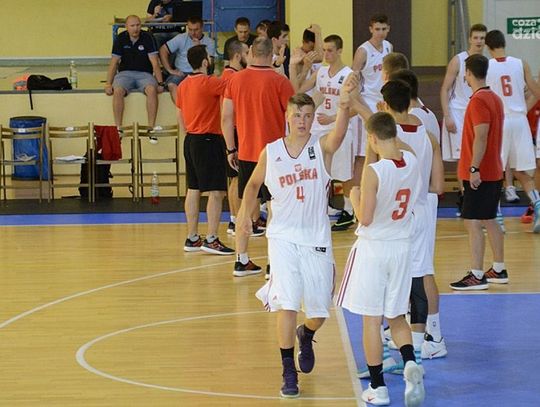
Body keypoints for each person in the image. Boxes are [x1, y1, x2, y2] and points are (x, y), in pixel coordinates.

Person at [238, 77, 355, 398]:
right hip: (282, 238)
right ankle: (288, 369)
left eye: (307, 116)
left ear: (313, 118)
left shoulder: (321, 147)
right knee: (287, 304)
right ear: (287, 117)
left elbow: (340, 132)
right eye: (297, 115)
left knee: (319, 311)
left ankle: (307, 333)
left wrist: (345, 104)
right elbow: (252, 184)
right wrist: (245, 213)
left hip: (316, 238)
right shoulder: (271, 151)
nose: (302, 121)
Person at [336, 111, 425, 407]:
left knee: (371, 321)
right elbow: (400, 149)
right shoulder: (411, 161)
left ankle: (379, 387)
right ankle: (409, 361)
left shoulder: (374, 172)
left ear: (371, 139)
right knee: (396, 316)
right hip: (402, 247)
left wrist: (355, 196)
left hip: (375, 250)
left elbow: (366, 217)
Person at [222, 37, 295, 277]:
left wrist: (230, 148)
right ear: (272, 54)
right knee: (274, 208)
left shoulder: (235, 80)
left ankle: (241, 259)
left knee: (246, 207)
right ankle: (273, 265)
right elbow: (294, 117)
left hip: (247, 153)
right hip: (275, 155)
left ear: (251, 53)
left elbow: (226, 117)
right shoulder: (280, 82)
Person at [389, 69, 446, 359]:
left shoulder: (391, 137)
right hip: (422, 207)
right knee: (419, 272)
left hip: (400, 211)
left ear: (386, 104)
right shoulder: (427, 133)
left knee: (408, 274)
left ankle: (427, 337)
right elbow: (439, 186)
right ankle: (418, 334)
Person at [450, 54, 506, 290]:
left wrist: (474, 168)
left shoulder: (478, 101)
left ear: (468, 73)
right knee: (489, 219)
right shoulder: (495, 98)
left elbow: (481, 136)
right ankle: (499, 269)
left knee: (473, 222)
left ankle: (476, 274)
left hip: (481, 172)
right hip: (494, 169)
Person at [293, 35, 358, 232]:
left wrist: (332, 118)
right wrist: (302, 68)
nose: (326, 54)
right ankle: (321, 208)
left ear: (340, 51)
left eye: (330, 50)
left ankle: (349, 211)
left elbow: (355, 107)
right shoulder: (320, 71)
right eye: (325, 50)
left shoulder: (349, 75)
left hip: (339, 127)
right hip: (318, 129)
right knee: (319, 171)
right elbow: (299, 90)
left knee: (344, 173)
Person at [176, 45, 233, 255]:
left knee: (194, 189)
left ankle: (192, 237)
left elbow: (180, 115)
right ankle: (211, 238)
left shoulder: (182, 85)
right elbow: (233, 85)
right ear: (204, 62)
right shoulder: (209, 82)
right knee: (217, 191)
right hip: (208, 139)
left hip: (190, 139)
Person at [485, 29, 540, 233]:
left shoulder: (486, 66)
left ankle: (497, 218)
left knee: (494, 172)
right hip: (519, 121)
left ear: (488, 47)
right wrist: (524, 108)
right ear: (504, 44)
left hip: (500, 121)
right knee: (521, 171)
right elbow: (537, 92)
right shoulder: (520, 63)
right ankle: (538, 207)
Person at [348, 14, 393, 231]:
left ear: (388, 29)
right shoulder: (363, 51)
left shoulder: (389, 47)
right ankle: (356, 200)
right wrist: (359, 106)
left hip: (383, 105)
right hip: (366, 106)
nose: (381, 33)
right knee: (361, 155)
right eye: (377, 29)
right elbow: (353, 80)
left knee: (383, 152)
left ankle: (380, 195)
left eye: (384, 29)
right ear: (370, 29)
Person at [440, 24, 487, 215]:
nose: (479, 41)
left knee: (478, 154)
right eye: (476, 38)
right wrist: (447, 115)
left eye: (482, 38)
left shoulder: (486, 62)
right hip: (458, 112)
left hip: (477, 111)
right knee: (462, 157)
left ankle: (476, 195)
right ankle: (464, 195)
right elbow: (445, 89)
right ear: (469, 39)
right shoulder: (458, 60)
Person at [105, 15, 164, 143]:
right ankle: (118, 128)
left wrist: (160, 83)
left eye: (138, 25)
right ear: (126, 27)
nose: (136, 28)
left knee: (152, 90)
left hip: (145, 74)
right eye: (132, 26)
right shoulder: (120, 38)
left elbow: (155, 63)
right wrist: (108, 84)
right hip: (124, 74)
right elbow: (114, 63)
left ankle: (151, 128)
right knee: (118, 90)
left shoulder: (148, 37)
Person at [220, 40, 249, 236]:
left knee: (234, 179)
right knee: (239, 178)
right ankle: (238, 221)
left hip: (232, 130)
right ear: (238, 56)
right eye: (247, 52)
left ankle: (234, 220)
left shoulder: (226, 75)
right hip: (236, 130)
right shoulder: (234, 78)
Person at [159, 16, 216, 103]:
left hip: (200, 73)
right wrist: (170, 70)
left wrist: (198, 48)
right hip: (181, 72)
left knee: (201, 88)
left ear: (202, 28)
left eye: (196, 30)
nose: (193, 33)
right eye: (190, 29)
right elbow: (163, 50)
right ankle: (182, 109)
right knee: (171, 85)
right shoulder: (181, 38)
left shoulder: (210, 42)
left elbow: (210, 65)